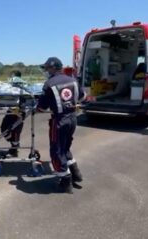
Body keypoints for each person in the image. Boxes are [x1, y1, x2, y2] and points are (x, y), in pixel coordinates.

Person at [37, 57, 84, 193]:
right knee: (65, 147)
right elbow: (82, 96)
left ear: (53, 68)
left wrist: (37, 106)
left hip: (59, 121)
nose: (46, 71)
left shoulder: (49, 84)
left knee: (57, 150)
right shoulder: (73, 80)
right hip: (73, 119)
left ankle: (65, 181)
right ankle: (76, 173)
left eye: (47, 68)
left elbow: (41, 107)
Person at [0, 70, 26, 157]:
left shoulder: (22, 87)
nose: (10, 78)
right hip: (11, 110)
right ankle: (14, 147)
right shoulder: (11, 87)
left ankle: (14, 149)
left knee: (14, 131)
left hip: (18, 112)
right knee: (4, 128)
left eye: (12, 76)